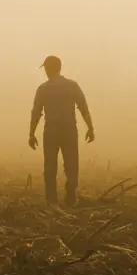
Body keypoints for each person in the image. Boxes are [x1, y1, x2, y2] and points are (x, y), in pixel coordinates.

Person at [29, 55, 95, 205]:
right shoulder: (72, 86)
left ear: (47, 69)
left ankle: (51, 200)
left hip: (51, 130)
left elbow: (36, 112)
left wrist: (31, 133)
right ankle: (70, 193)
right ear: (59, 68)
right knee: (72, 163)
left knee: (50, 165)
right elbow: (83, 107)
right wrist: (90, 128)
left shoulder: (43, 89)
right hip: (69, 129)